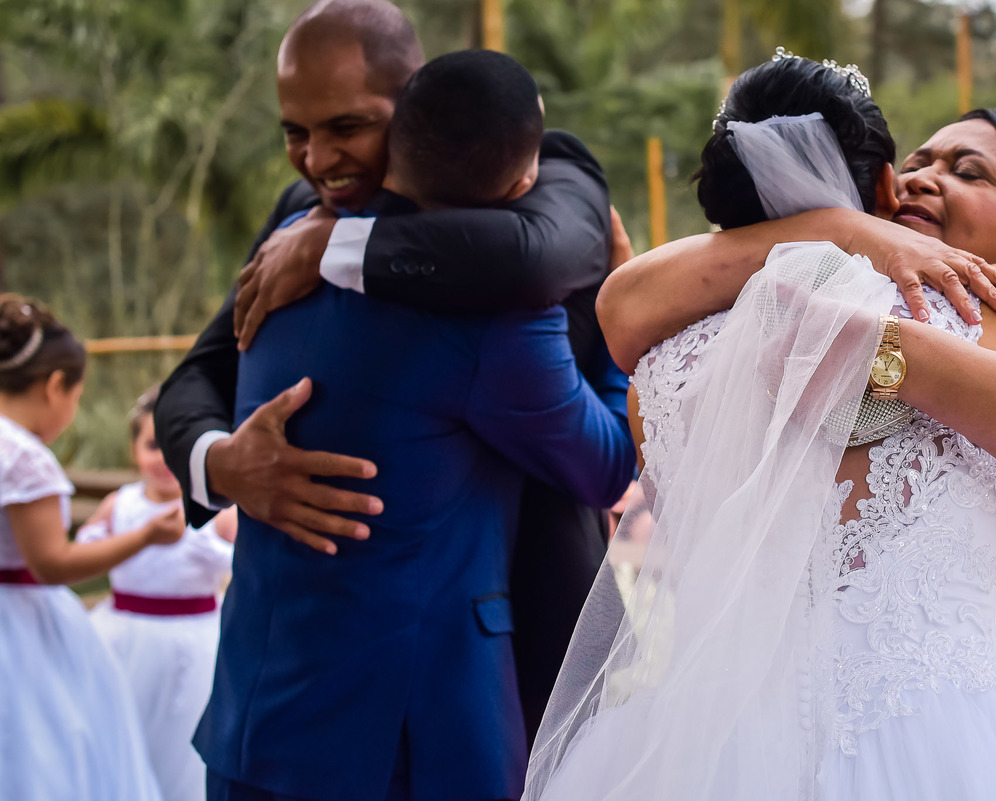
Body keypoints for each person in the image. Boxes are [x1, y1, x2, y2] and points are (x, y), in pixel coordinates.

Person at [526, 56, 996, 800]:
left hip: (711, 752)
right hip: (940, 738)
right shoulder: (968, 308)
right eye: (914, 166)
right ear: (881, 190)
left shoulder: (664, 364)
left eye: (968, 171)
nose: (921, 181)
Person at [154, 0, 630, 741]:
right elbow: (203, 371)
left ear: (415, 96)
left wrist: (338, 248)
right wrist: (222, 464)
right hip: (335, 689)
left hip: (530, 625)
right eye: (294, 133)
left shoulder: (541, 167)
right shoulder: (292, 212)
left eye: (345, 126)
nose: (315, 160)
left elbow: (540, 254)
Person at [0, 294, 170, 801]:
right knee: (42, 751)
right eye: (77, 397)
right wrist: (143, 536)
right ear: (56, 387)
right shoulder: (25, 459)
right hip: (22, 631)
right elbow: (52, 563)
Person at [78, 384, 235, 801]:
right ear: (133, 450)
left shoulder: (217, 510)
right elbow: (87, 551)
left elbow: (242, 564)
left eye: (172, 446)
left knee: (183, 735)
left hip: (195, 640)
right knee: (125, 726)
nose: (164, 459)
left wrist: (208, 546)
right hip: (124, 637)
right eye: (151, 445)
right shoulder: (119, 503)